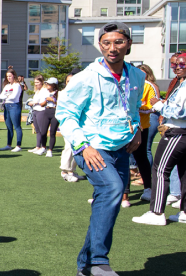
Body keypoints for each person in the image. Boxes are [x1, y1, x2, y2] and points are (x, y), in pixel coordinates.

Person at [56, 21, 145, 276]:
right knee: (112, 189)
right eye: (106, 43)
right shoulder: (86, 77)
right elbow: (66, 114)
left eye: (118, 42)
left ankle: (85, 265)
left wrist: (137, 128)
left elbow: (133, 107)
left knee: (109, 202)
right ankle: (98, 261)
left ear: (128, 44)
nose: (112, 48)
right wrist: (84, 146)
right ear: (100, 45)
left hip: (121, 148)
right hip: (92, 147)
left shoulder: (136, 75)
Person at [132, 53, 186, 227]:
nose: (177, 67)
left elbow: (184, 112)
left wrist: (160, 105)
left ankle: (156, 212)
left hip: (181, 131)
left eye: (182, 64)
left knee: (160, 169)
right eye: (175, 64)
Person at [128, 64, 159, 205]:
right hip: (123, 128)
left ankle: (148, 188)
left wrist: (137, 107)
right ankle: (122, 194)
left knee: (142, 157)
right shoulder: (123, 82)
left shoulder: (149, 86)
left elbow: (153, 107)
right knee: (123, 160)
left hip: (141, 127)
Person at [59, 73, 85, 183]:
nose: (70, 83)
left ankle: (72, 170)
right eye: (68, 81)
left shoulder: (80, 92)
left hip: (79, 124)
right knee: (69, 146)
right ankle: (65, 171)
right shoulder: (63, 93)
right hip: (68, 124)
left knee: (78, 146)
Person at [0, 68, 23, 152]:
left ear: (14, 76)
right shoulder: (7, 86)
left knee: (17, 126)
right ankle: (8, 145)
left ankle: (18, 145)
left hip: (14, 106)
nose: (8, 78)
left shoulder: (17, 85)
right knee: (9, 127)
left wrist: (7, 95)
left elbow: (14, 96)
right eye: (7, 76)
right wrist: (7, 96)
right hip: (6, 106)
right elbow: (1, 96)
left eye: (10, 76)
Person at [35, 77, 60, 158]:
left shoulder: (58, 93)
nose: (46, 85)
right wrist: (44, 101)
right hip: (47, 111)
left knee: (52, 133)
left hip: (55, 112)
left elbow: (60, 103)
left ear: (53, 85)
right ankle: (43, 147)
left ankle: (50, 150)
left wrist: (52, 100)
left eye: (48, 84)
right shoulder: (46, 92)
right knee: (43, 132)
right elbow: (43, 104)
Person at [27, 75, 47, 154]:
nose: (36, 84)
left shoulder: (44, 90)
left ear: (42, 82)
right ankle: (38, 146)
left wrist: (35, 103)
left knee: (42, 130)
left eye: (37, 82)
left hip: (41, 111)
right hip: (35, 110)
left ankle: (43, 147)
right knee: (37, 130)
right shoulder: (37, 91)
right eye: (35, 82)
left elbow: (44, 101)